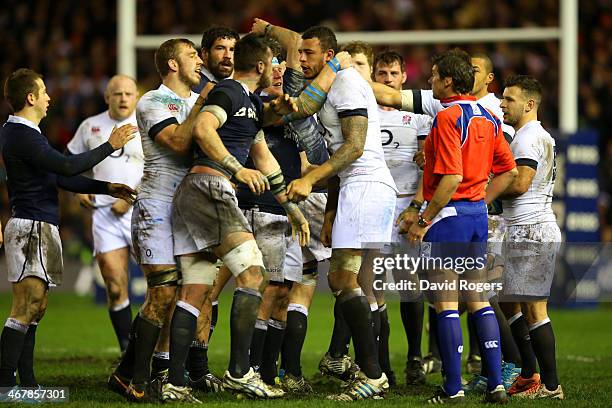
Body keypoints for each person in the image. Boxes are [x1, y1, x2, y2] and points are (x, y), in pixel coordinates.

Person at [162, 33, 309, 402]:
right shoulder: (228, 92)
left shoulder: (250, 106)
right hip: (209, 189)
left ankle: (173, 383)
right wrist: (233, 168)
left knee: (195, 288)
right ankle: (240, 373)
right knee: (253, 274)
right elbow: (202, 128)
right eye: (274, 62)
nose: (277, 69)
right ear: (261, 66)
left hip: (194, 194)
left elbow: (265, 160)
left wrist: (291, 207)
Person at [0, 68, 136, 396]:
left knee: (36, 306)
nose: (49, 97)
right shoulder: (20, 134)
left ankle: (28, 384)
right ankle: (6, 384)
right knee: (26, 305)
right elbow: (67, 166)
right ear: (30, 97)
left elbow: (61, 179)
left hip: (38, 225)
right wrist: (108, 146)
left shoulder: (27, 133)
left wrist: (107, 187)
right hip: (31, 226)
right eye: (43, 91)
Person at [397, 49, 517, 404]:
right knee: (478, 299)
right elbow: (507, 172)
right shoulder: (488, 116)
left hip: (448, 217)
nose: (430, 80)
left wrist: (423, 218)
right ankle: (495, 383)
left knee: (446, 302)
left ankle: (453, 388)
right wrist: (478, 199)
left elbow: (451, 177)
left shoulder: (448, 117)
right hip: (476, 217)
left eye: (434, 75)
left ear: (448, 80)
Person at [286, 25, 398, 401]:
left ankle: (371, 373)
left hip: (367, 187)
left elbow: (353, 146)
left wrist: (310, 179)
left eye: (309, 53)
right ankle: (367, 370)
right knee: (348, 281)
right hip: (353, 190)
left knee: (342, 280)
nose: (302, 59)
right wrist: (331, 211)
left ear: (330, 55)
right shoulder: (331, 85)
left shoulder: (347, 81)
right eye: (299, 53)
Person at [107, 38, 211, 402]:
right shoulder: (152, 101)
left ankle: (132, 374)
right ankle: (138, 382)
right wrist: (205, 101)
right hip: (156, 206)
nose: (199, 61)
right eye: (192, 55)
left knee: (186, 294)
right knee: (163, 292)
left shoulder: (196, 101)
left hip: (188, 209)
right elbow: (179, 143)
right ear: (172, 64)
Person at [498, 75, 564, 399]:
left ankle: (550, 387)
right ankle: (528, 373)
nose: (502, 104)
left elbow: (521, 183)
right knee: (508, 301)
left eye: (509, 99)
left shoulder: (526, 138)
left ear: (529, 104)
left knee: (535, 310)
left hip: (532, 231)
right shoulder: (537, 136)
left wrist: (486, 189)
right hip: (525, 229)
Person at [67, 75, 143, 353]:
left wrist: (130, 196)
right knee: (114, 285)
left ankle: (157, 349)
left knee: (162, 286)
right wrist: (78, 189)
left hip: (143, 213)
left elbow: (161, 166)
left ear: (136, 96)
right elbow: (71, 161)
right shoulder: (91, 126)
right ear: (107, 97)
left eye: (128, 93)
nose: (123, 98)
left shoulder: (146, 125)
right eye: (117, 93)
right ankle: (127, 350)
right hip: (104, 215)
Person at [372, 50, 433, 386]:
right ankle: (380, 364)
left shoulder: (420, 117)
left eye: (393, 73)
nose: (388, 79)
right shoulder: (364, 113)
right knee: (374, 287)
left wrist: (418, 208)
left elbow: (428, 162)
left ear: (403, 78)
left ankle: (414, 356)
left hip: (407, 207)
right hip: (376, 205)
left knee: (410, 286)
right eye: (382, 74)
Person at [194, 25, 240, 91]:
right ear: (205, 53)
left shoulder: (238, 86)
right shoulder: (191, 86)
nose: (228, 56)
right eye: (220, 48)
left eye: (232, 50)